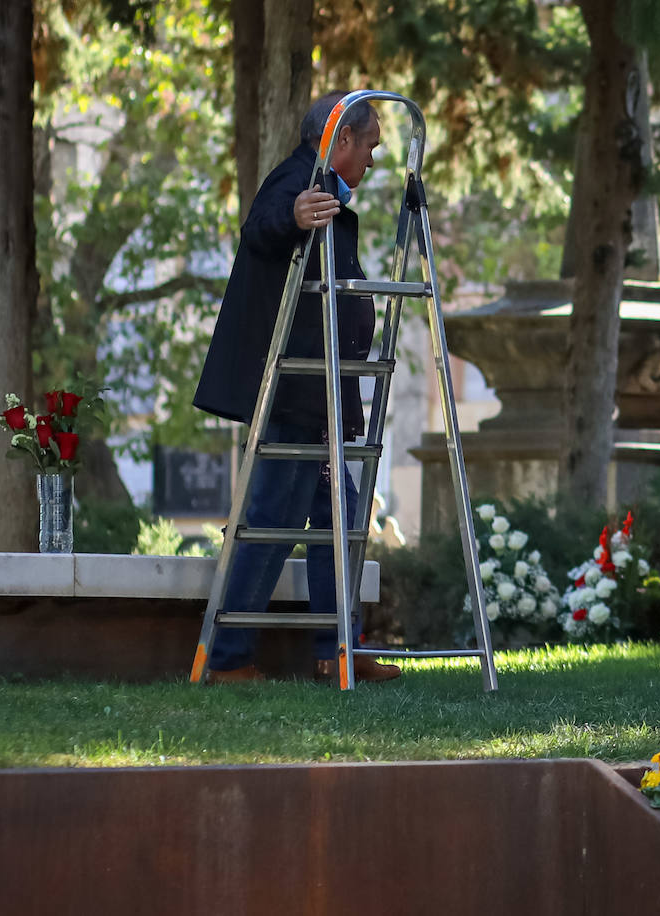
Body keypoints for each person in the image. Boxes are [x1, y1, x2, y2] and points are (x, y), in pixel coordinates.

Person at [192, 91, 400, 684]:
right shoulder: (298, 180)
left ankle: (335, 649)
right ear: (340, 139)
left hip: (320, 392)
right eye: (369, 146)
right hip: (295, 392)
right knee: (272, 521)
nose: (372, 159)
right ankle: (231, 660)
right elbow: (261, 225)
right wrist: (292, 217)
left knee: (339, 522)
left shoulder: (321, 185)